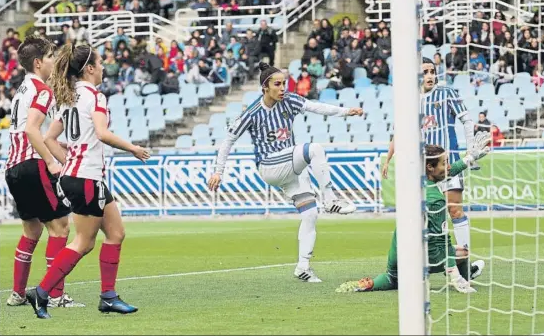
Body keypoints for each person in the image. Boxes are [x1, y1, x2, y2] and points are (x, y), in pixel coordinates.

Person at [25, 44, 151, 319]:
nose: (104, 66)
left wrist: (67, 161)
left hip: (82, 176)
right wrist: (133, 148)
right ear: (90, 69)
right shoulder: (95, 96)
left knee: (116, 233)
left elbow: (48, 138)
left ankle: (108, 296)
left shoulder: (68, 97)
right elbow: (103, 133)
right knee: (84, 242)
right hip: (85, 178)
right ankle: (42, 292)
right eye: (101, 62)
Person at [207, 62, 363, 283]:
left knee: (309, 214)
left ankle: (303, 267)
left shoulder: (289, 101)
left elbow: (315, 107)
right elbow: (228, 140)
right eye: (277, 84)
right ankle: (330, 200)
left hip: (290, 168)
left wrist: (346, 112)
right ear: (265, 87)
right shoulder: (252, 113)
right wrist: (217, 172)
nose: (283, 88)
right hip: (269, 166)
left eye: (284, 84)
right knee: (315, 149)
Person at [337, 139, 491, 293]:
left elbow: (448, 172)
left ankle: (376, 282)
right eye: (445, 163)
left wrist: (470, 158)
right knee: (462, 252)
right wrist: (454, 275)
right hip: (423, 259)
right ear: (430, 167)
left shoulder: (415, 180)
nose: (449, 166)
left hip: (398, 251)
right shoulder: (436, 200)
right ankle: (463, 278)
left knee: (394, 277)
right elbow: (442, 243)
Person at [4, 36, 83, 308]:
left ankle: (17, 293)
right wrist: (50, 159)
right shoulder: (42, 90)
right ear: (38, 63)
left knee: (31, 231)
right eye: (50, 57)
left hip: (13, 167)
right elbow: (31, 129)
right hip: (32, 164)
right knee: (60, 227)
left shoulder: (22, 89)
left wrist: (52, 145)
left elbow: (25, 128)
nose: (53, 62)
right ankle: (57, 295)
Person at [381, 58, 477, 254]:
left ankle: (464, 260)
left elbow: (467, 120)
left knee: (454, 210)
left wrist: (471, 149)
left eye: (432, 71)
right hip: (424, 168)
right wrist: (388, 159)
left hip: (448, 164)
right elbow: (398, 132)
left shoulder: (447, 93)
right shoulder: (410, 100)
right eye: (425, 72)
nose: (430, 76)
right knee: (424, 214)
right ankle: (426, 259)